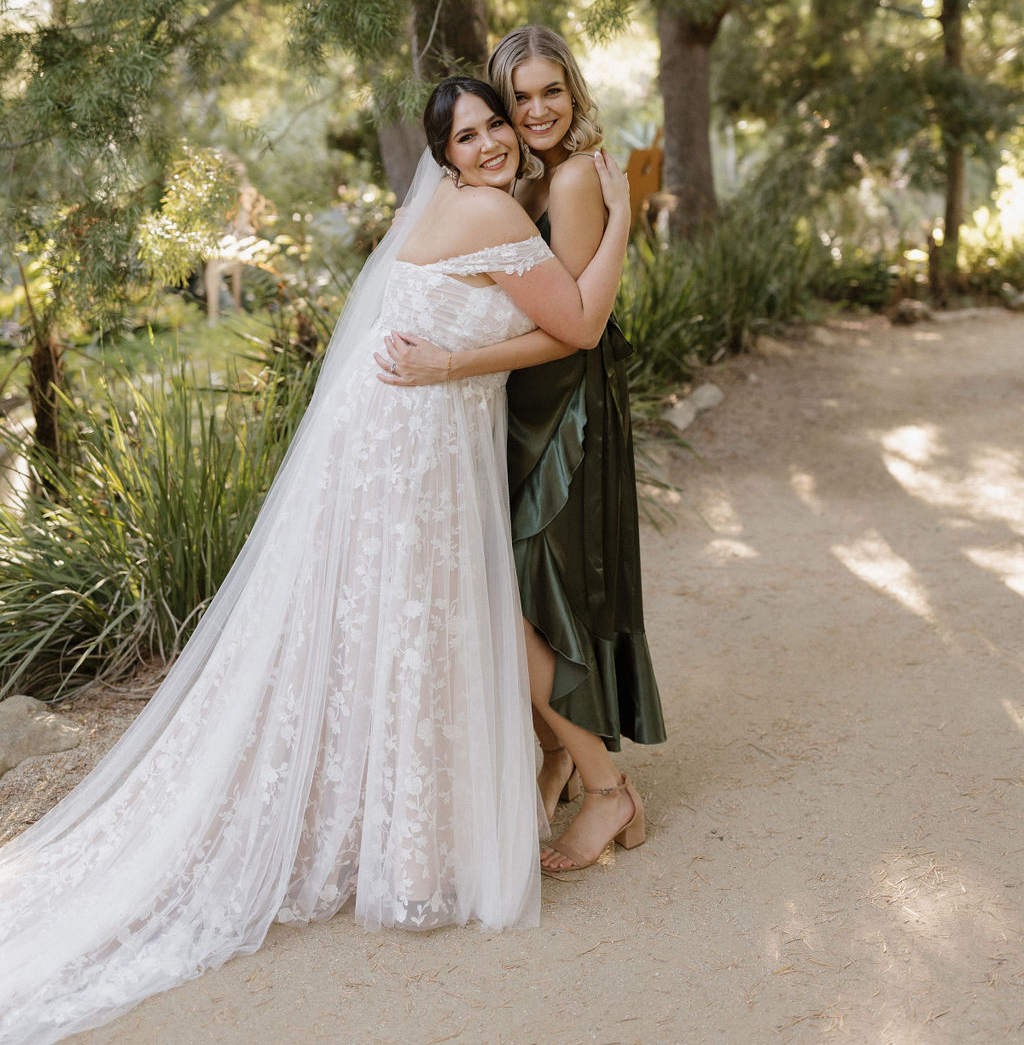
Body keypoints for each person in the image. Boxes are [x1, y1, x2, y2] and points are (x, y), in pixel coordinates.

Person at [0, 78, 633, 1045]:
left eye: (496, 123)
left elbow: (521, 329)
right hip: (412, 446)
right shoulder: (489, 209)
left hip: (396, 439)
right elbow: (581, 325)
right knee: (469, 621)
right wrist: (621, 219)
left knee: (442, 622)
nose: (493, 141)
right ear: (448, 157)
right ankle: (588, 780)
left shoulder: (467, 210)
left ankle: (545, 787)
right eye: (469, 135)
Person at [376, 29, 665, 874]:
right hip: (504, 407)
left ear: (574, 95)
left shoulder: (572, 177)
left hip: (559, 412)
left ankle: (601, 781)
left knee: (533, 598)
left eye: (551, 94)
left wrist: (624, 220)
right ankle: (564, 760)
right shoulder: (519, 177)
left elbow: (576, 327)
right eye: (519, 98)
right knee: (528, 600)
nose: (533, 113)